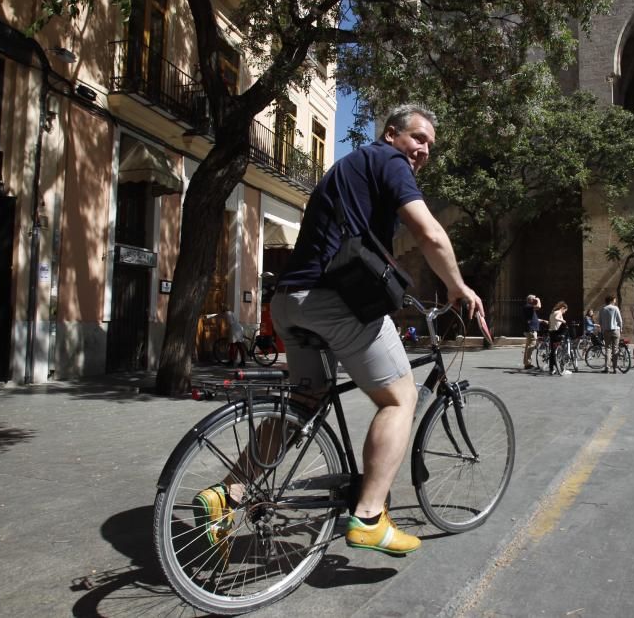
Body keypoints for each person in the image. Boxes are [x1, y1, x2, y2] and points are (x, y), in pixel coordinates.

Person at [196, 105, 484, 558]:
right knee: (399, 398)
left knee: (305, 403)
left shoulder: (348, 168)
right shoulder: (390, 162)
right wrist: (458, 286)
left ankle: (224, 494)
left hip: (291, 301)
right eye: (417, 137)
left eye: (430, 144)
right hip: (335, 302)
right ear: (391, 135)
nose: (423, 149)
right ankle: (369, 516)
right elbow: (429, 234)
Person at [598, 295, 623, 374]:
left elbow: (600, 321)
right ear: (612, 300)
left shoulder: (602, 309)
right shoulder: (615, 308)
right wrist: (621, 328)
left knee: (607, 349)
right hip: (615, 330)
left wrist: (602, 329)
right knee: (615, 349)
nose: (615, 301)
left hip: (606, 331)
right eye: (614, 300)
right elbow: (620, 320)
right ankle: (615, 368)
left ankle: (607, 367)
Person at [522, 294, 544, 370]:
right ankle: (528, 364)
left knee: (528, 346)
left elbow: (533, 319)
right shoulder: (528, 306)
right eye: (533, 299)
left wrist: (543, 321)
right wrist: (539, 300)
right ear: (530, 300)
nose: (535, 300)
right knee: (531, 346)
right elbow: (539, 307)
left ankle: (527, 363)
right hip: (531, 330)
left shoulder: (529, 308)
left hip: (530, 329)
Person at [547, 301, 569, 375]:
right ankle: (562, 368)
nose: (564, 313)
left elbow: (550, 323)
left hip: (551, 333)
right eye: (565, 310)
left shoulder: (552, 313)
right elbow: (557, 318)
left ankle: (551, 368)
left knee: (552, 351)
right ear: (562, 308)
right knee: (561, 350)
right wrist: (563, 320)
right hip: (557, 333)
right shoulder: (559, 312)